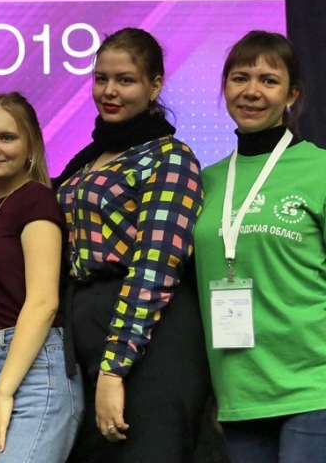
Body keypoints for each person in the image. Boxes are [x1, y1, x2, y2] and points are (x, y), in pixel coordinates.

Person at [55, 27, 210, 462]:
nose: (109, 91)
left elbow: (155, 267)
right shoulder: (87, 159)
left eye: (125, 80)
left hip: (151, 337)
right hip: (88, 329)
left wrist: (113, 368)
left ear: (154, 86)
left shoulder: (170, 157)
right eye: (101, 79)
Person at [194, 31, 326, 462]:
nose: (252, 91)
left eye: (269, 80)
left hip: (314, 386)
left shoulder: (319, 170)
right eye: (240, 78)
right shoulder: (206, 181)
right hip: (239, 393)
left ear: (292, 94)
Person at [0, 92, 83, 463]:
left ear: (31, 145)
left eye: (7, 137)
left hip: (36, 367)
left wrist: (4, 390)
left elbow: (43, 301)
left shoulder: (35, 198)